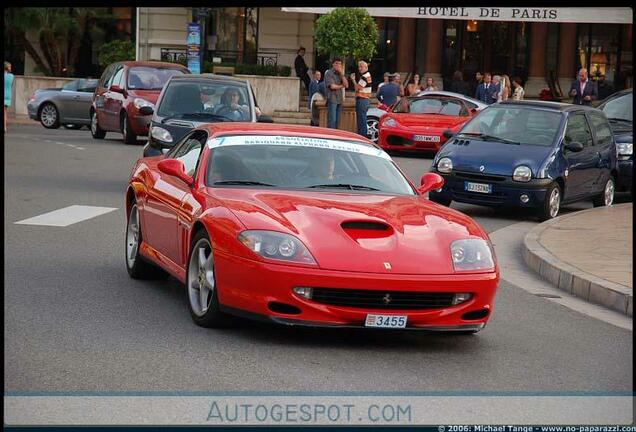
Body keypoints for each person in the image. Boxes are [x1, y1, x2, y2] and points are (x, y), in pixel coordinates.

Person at [324, 57, 349, 129]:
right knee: (332, 120)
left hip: (339, 99)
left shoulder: (340, 74)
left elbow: (346, 85)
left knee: (338, 120)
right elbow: (332, 86)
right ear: (333, 64)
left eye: (340, 64)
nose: (338, 65)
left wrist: (341, 74)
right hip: (332, 99)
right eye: (336, 63)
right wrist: (342, 86)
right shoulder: (329, 73)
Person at [350, 60, 372, 137]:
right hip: (365, 100)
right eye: (359, 67)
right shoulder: (367, 75)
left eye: (361, 66)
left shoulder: (365, 76)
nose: (359, 68)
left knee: (361, 120)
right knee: (362, 120)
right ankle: (363, 136)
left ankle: (362, 137)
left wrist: (353, 80)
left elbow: (357, 88)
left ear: (366, 67)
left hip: (362, 100)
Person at [5, 61, 14, 133]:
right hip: (8, 95)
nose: (10, 68)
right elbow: (11, 85)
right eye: (10, 67)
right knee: (5, 112)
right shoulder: (11, 76)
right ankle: (5, 127)